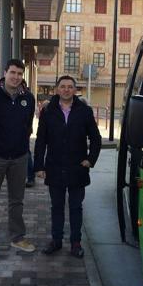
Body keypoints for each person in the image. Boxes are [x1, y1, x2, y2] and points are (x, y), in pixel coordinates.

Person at [34, 75, 102, 258]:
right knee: (56, 207)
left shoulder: (84, 111)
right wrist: (38, 166)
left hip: (77, 168)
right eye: (62, 86)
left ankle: (75, 242)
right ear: (57, 89)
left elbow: (96, 139)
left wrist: (90, 159)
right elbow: (41, 141)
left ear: (75, 90)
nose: (66, 89)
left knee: (75, 207)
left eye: (70, 87)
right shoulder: (48, 111)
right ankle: (56, 240)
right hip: (54, 167)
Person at [0, 59, 36, 257]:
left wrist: (22, 146)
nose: (16, 77)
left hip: (19, 157)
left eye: (20, 74)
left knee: (17, 200)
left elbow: (28, 125)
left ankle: (18, 238)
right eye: (13, 72)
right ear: (5, 73)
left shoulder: (28, 98)